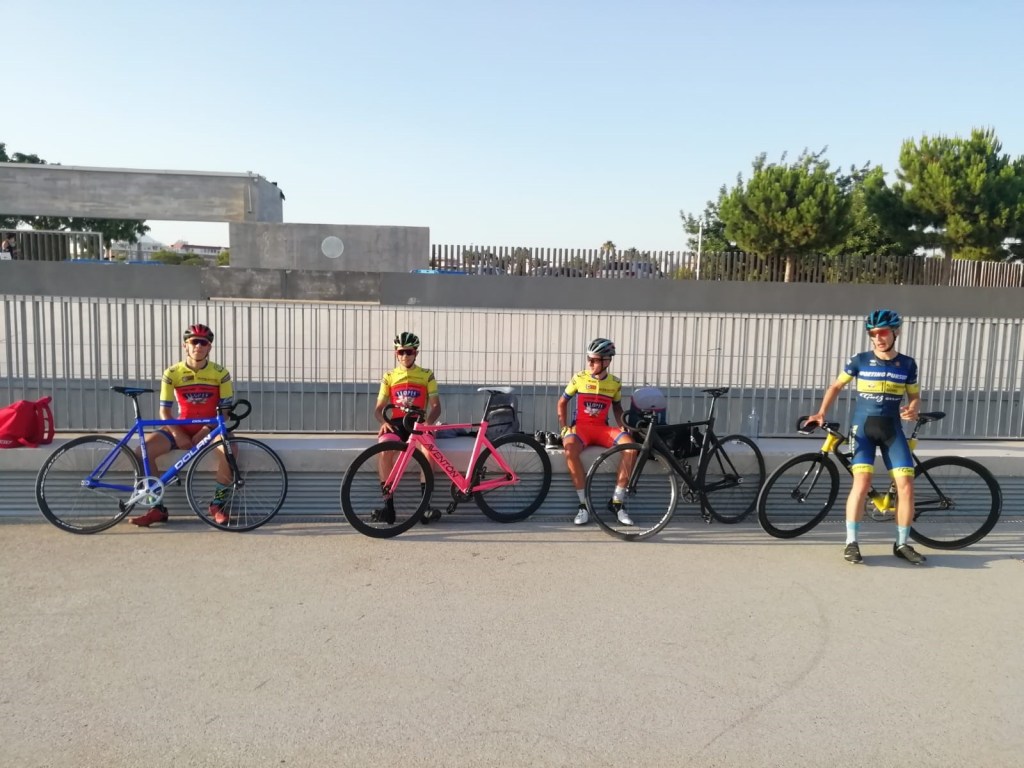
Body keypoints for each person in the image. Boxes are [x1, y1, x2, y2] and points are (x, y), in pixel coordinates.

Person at [805, 309, 925, 565]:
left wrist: (913, 408)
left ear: (896, 332)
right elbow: (836, 385)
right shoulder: (859, 360)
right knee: (861, 483)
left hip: (892, 430)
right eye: (872, 334)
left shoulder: (907, 364)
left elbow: (914, 396)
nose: (877, 338)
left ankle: (902, 544)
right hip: (863, 430)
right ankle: (851, 543)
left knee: (906, 486)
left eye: (882, 333)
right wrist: (821, 412)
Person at [129, 323, 235, 527]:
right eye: (194, 342)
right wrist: (178, 434)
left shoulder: (221, 373)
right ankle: (156, 507)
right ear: (185, 345)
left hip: (210, 427)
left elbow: (225, 412)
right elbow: (164, 412)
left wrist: (205, 431)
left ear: (209, 347)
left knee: (230, 451)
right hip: (180, 426)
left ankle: (218, 505)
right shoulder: (172, 373)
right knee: (142, 451)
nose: (198, 346)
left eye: (203, 342)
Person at [558, 338, 634, 526]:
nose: (590, 363)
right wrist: (564, 427)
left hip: (602, 429)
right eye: (589, 359)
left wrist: (622, 425)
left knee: (631, 448)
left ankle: (617, 502)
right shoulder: (579, 377)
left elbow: (617, 407)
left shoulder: (615, 383)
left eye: (594, 360)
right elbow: (562, 402)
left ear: (607, 361)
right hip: (581, 428)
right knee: (569, 450)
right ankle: (583, 505)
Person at [372, 331, 442, 522]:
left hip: (418, 424)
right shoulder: (389, 376)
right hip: (395, 424)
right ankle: (388, 508)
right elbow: (378, 409)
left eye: (409, 352)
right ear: (396, 354)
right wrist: (383, 422)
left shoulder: (427, 375)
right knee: (384, 451)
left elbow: (436, 406)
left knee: (429, 452)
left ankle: (425, 507)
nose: (405, 356)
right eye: (401, 352)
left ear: (416, 353)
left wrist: (428, 423)